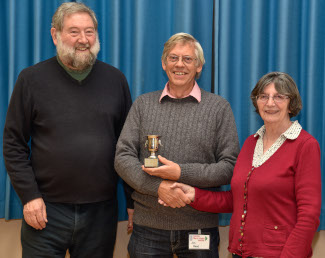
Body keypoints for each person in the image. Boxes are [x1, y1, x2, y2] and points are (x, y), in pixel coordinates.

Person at [3, 2, 132, 257]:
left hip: (101, 213)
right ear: (55, 34)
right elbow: (13, 143)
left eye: (89, 31)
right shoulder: (31, 79)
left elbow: (127, 147)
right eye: (74, 32)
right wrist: (29, 197)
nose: (83, 39)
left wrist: (132, 202)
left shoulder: (115, 80)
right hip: (45, 212)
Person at [162, 72, 322, 258]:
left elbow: (309, 216)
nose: (270, 103)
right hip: (240, 252)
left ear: (291, 103)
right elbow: (236, 199)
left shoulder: (305, 145)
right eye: (263, 96)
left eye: (279, 96)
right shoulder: (251, 143)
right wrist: (194, 195)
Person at [114, 32, 240, 257]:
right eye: (173, 58)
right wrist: (159, 187)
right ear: (164, 63)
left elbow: (229, 167)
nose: (179, 64)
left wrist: (180, 172)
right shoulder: (143, 105)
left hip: (199, 229)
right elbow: (122, 158)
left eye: (188, 59)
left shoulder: (219, 108)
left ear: (199, 66)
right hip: (148, 230)